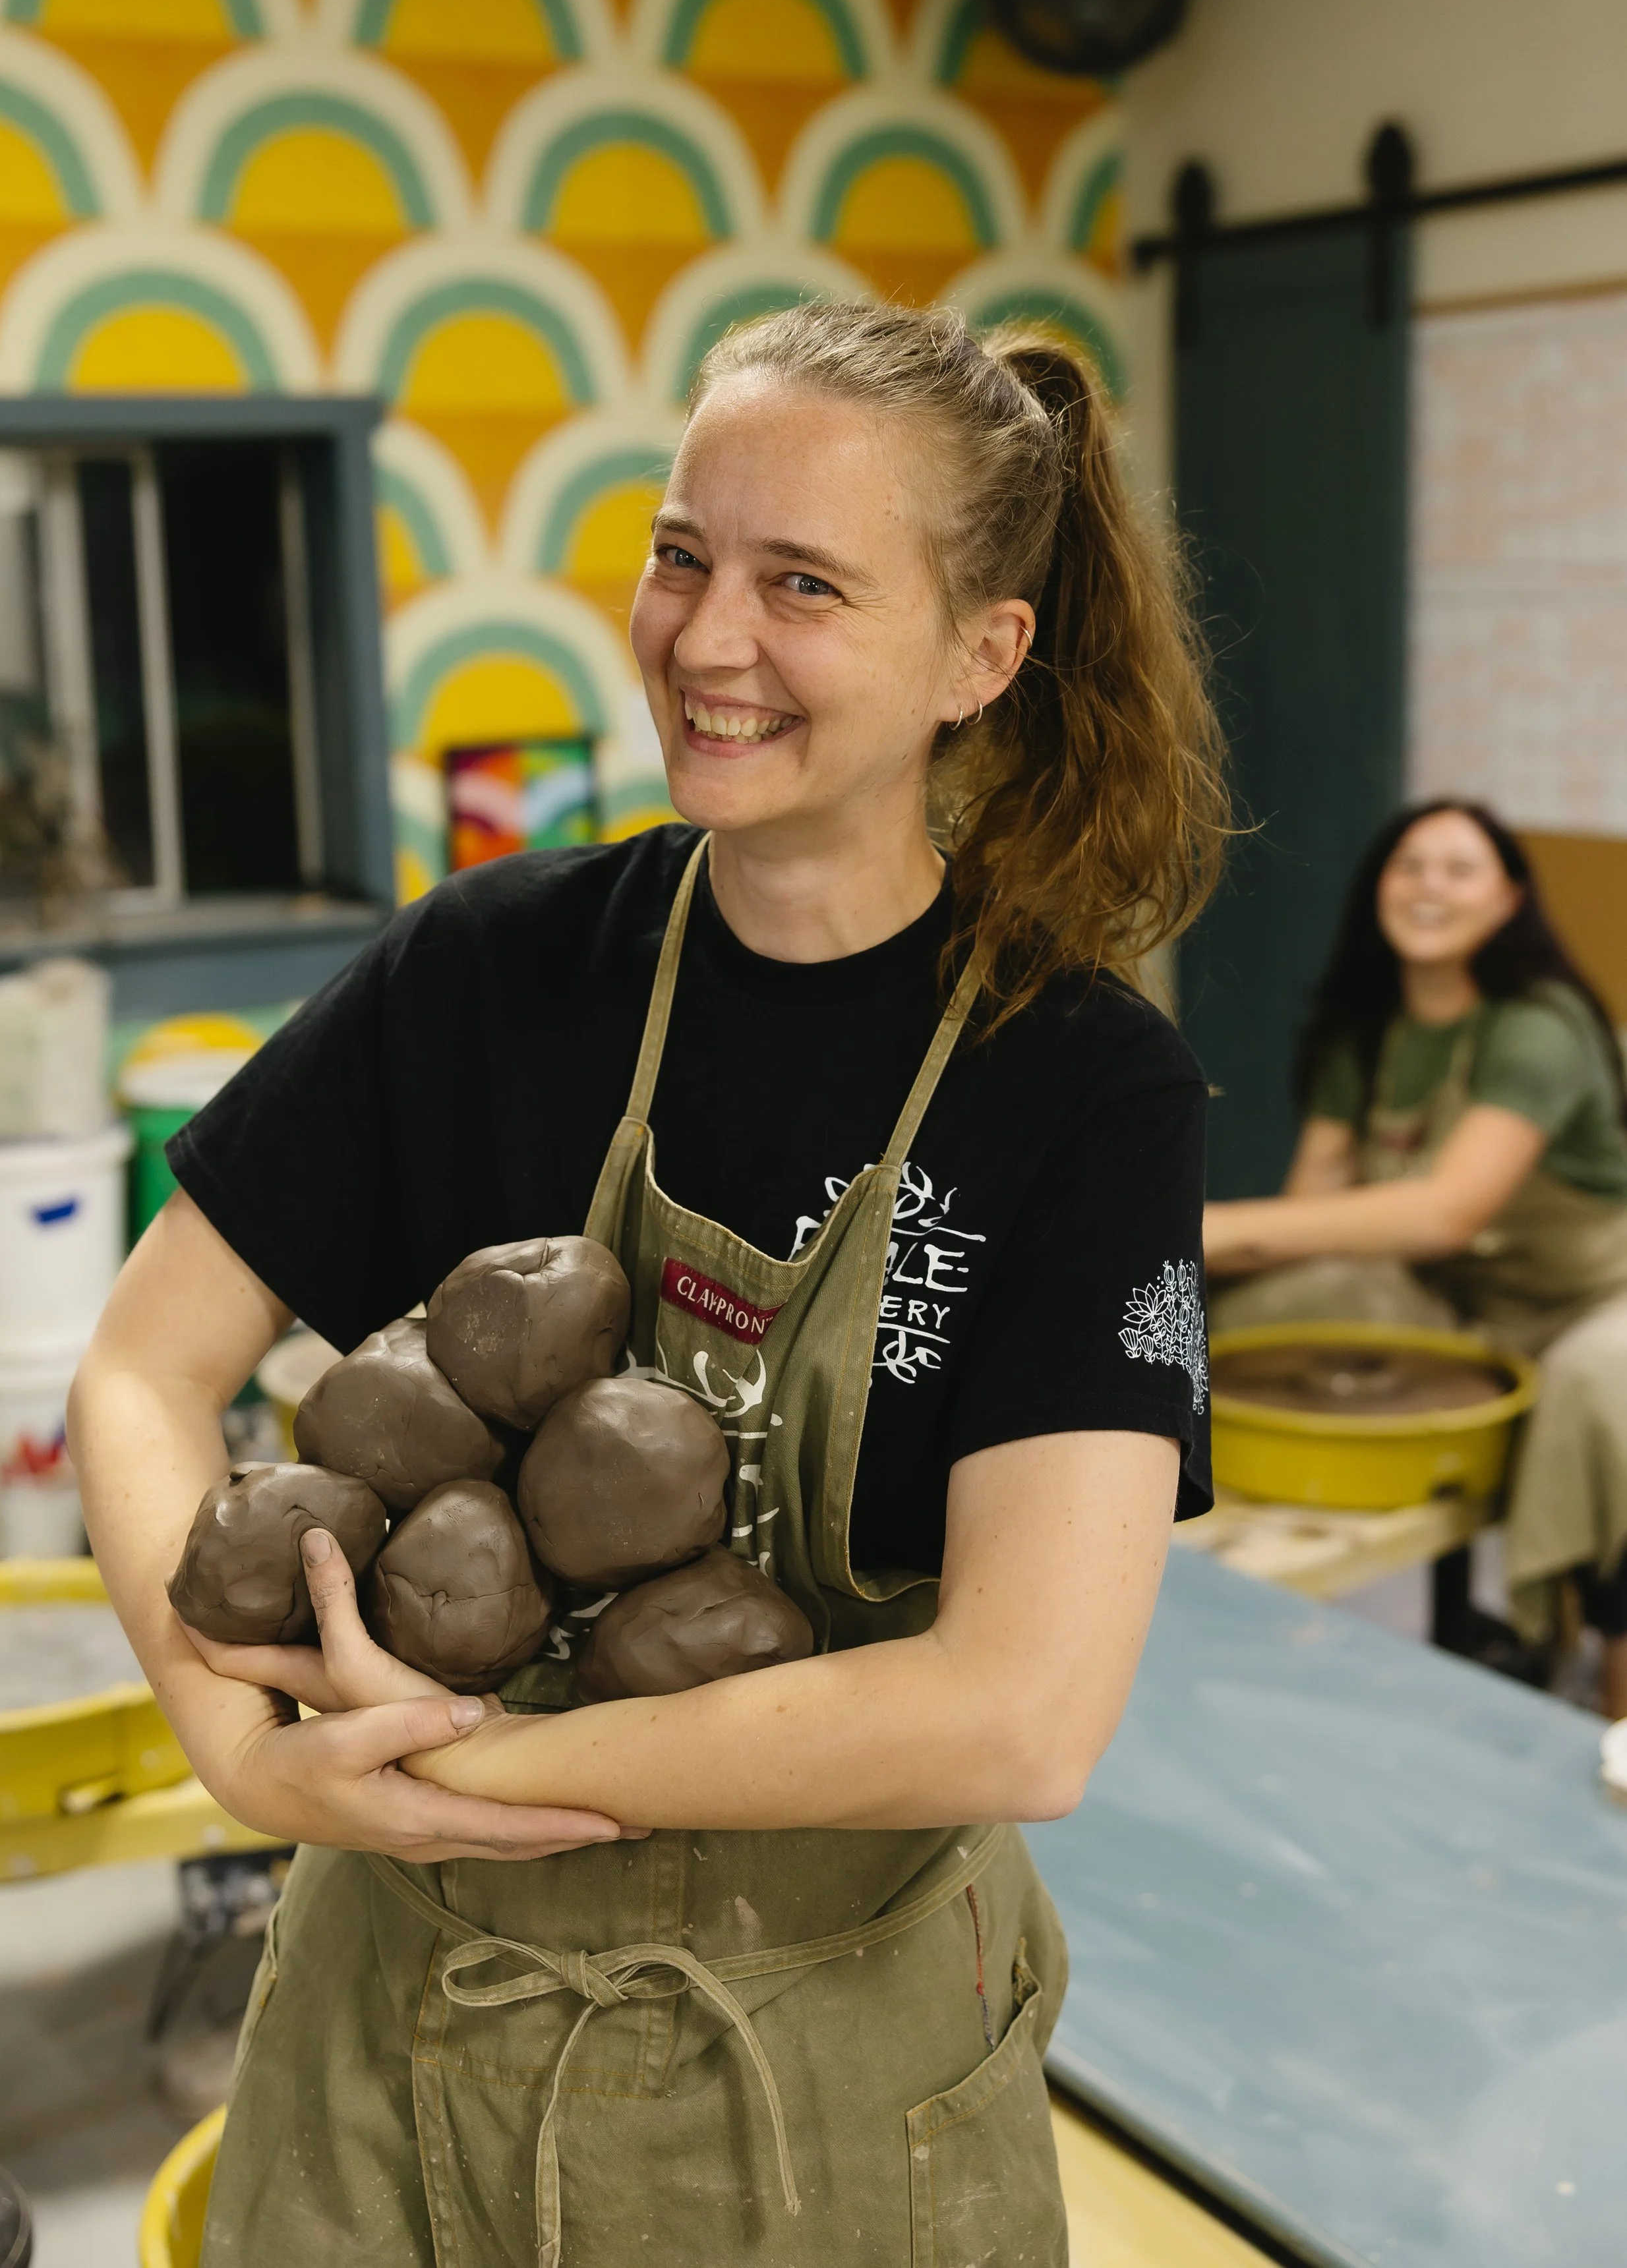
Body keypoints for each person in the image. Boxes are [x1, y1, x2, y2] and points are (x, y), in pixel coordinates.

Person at [69, 301, 1227, 2267]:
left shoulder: (1076, 1083)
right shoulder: (485, 969)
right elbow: (138, 1369)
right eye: (682, 552)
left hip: (820, 2080)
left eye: (803, 584)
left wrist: (475, 1765)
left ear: (979, 653)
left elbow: (1018, 1708)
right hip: (398, 2039)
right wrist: (237, 1739)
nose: (705, 637)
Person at [1204, 800, 1627, 1712]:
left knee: (1604, 1383)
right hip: (1461, 1301)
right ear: (1378, 890)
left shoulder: (1540, 1026)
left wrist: (1205, 1229)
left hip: (1594, 1300)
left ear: (1512, 897)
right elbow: (1310, 1216)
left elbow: (1445, 1212)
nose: (1429, 885)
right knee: (1262, 1313)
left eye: (1459, 868)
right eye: (1410, 865)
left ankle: (1587, 1676)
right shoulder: (1367, 1028)